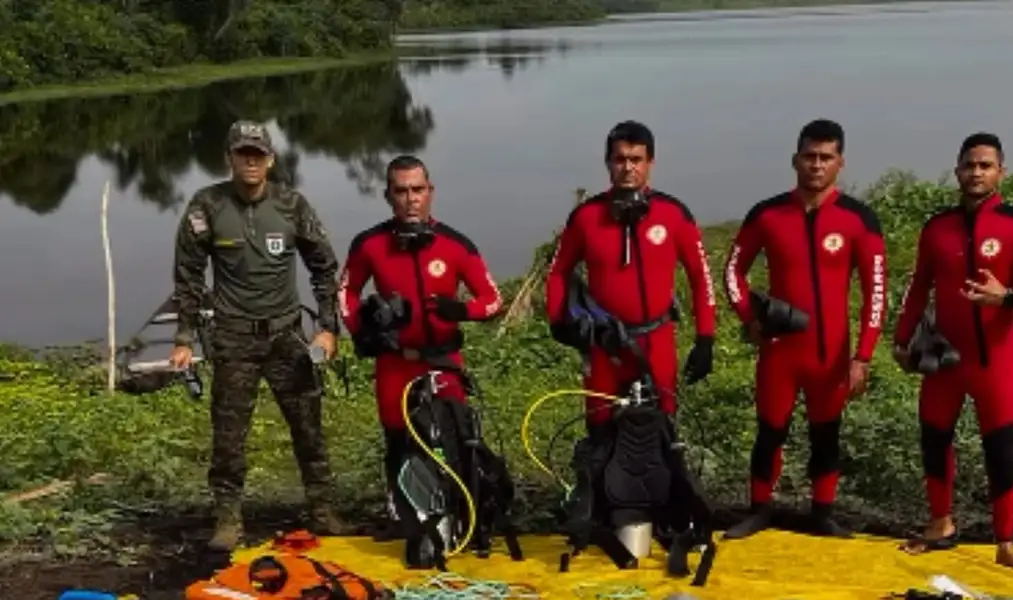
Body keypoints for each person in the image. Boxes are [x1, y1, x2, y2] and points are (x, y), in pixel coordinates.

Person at [170, 120, 345, 552]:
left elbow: (324, 267)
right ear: (229, 157)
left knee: (308, 428)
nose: (251, 160)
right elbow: (188, 276)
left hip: (287, 336)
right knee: (228, 436)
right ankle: (228, 518)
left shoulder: (291, 204)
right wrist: (184, 337)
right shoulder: (207, 205)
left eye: (258, 153)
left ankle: (322, 508)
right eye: (242, 152)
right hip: (233, 338)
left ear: (270, 159)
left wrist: (327, 328)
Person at [893, 132, 1013, 570]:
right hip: (944, 361)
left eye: (986, 165)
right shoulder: (937, 228)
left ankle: (1004, 542)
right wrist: (901, 338)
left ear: (1001, 172)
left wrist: (1005, 296)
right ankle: (940, 523)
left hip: (994, 365)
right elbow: (917, 289)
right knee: (934, 440)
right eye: (969, 165)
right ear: (957, 171)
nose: (976, 173)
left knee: (1000, 451)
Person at [721, 118, 887, 540]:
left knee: (825, 434)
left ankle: (823, 514)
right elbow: (731, 272)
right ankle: (759, 510)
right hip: (780, 351)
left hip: (830, 353)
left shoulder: (858, 219)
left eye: (825, 158)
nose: (816, 165)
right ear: (795, 159)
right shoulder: (768, 213)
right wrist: (750, 319)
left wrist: (863, 356)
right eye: (809, 156)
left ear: (840, 163)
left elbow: (876, 294)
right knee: (769, 432)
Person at [339, 154, 504, 537]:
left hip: (443, 359)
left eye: (418, 190)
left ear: (430, 192)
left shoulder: (456, 245)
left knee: (453, 435)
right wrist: (361, 328)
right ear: (388, 196)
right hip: (396, 361)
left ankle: (460, 511)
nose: (411, 199)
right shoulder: (370, 245)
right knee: (398, 437)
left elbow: (492, 299)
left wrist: (461, 309)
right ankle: (404, 515)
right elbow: (346, 290)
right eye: (401, 191)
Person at [545, 120, 718, 426]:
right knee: (600, 431)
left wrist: (705, 338)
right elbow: (559, 271)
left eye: (636, 159)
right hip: (604, 346)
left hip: (657, 340)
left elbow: (700, 276)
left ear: (650, 162)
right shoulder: (586, 217)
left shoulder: (674, 214)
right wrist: (558, 320)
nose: (628, 168)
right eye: (620, 159)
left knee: (664, 430)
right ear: (608, 163)